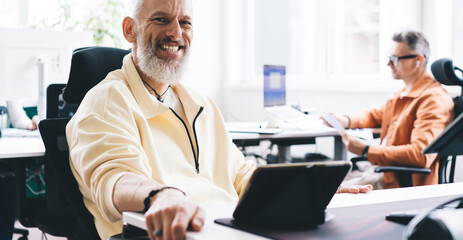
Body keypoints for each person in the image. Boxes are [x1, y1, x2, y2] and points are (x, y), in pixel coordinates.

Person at [66, 0, 371, 239]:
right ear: (130, 29)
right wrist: (161, 195)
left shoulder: (200, 103)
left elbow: (239, 174)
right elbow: (114, 177)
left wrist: (300, 189)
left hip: (231, 229)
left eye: (185, 22)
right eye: (161, 19)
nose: (176, 33)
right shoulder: (107, 102)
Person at [328, 31, 454, 190]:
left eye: (395, 59)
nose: (389, 64)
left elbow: (420, 155)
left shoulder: (432, 99)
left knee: (325, 192)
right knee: (322, 180)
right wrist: (346, 120)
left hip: (397, 182)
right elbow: (375, 115)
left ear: (418, 60)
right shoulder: (405, 92)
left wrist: (367, 150)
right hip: (380, 171)